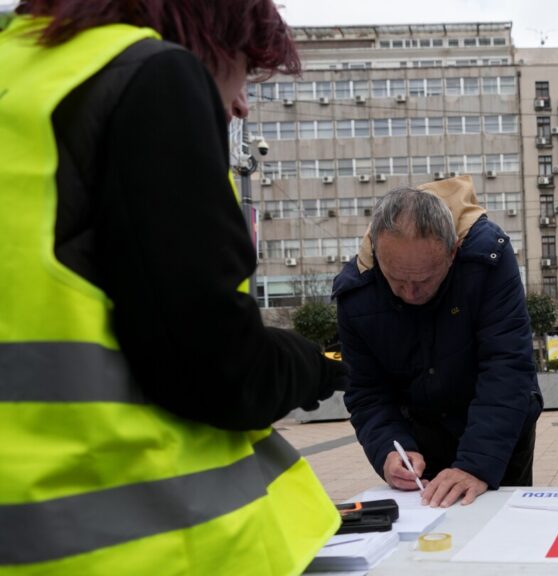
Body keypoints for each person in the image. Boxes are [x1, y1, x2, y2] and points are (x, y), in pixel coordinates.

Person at [0, 1, 348, 573]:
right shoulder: (147, 76)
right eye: (243, 66)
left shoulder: (23, 83)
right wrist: (314, 365)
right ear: (207, 27)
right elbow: (214, 365)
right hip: (143, 546)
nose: (239, 105)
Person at [334, 179, 543, 508]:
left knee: (500, 531)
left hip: (497, 430)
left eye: (425, 279)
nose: (411, 293)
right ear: (378, 253)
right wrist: (390, 450)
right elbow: (367, 391)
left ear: (453, 251)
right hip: (419, 434)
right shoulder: (356, 292)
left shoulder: (487, 259)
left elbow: (507, 365)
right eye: (397, 280)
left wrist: (476, 464)